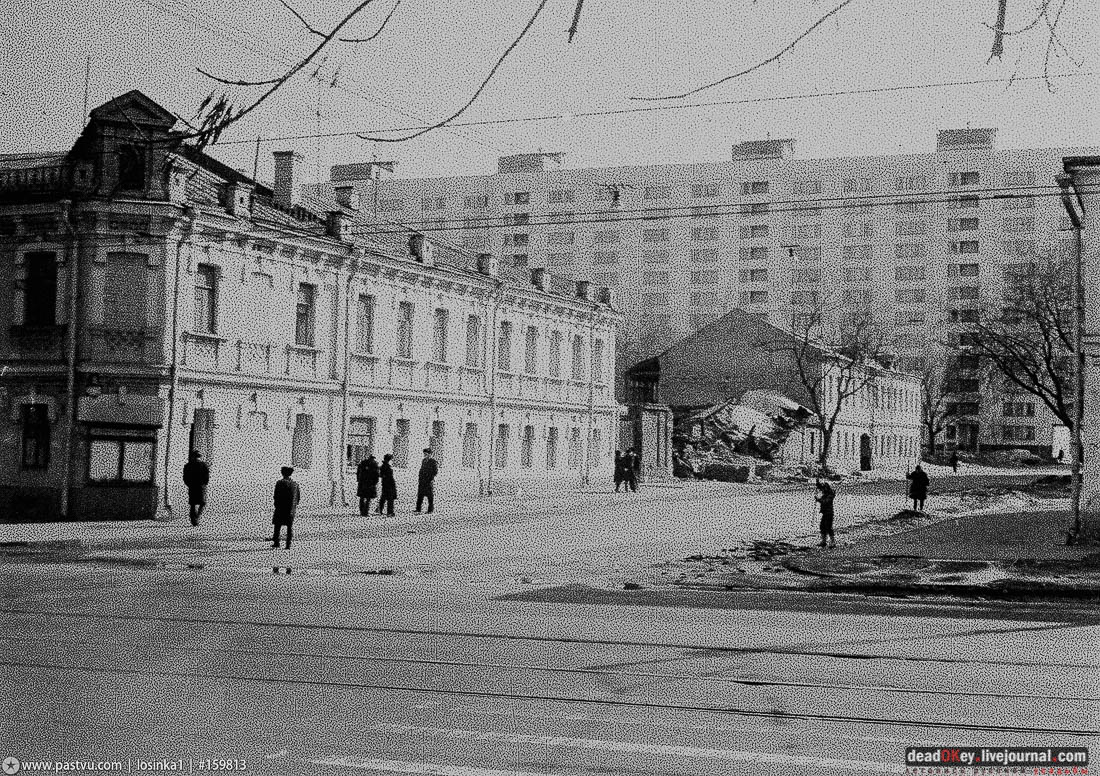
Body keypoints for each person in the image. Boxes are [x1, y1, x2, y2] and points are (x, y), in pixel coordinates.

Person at [272, 466, 300, 549]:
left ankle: (276, 542)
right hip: (291, 509)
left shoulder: (279, 483)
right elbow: (298, 497)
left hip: (281, 507)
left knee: (277, 525)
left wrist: (276, 505)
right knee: (289, 526)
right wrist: (294, 507)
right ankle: (288, 544)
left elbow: (276, 496)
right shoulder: (295, 484)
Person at [182, 450, 210, 527]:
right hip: (200, 486)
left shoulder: (188, 465)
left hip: (192, 486)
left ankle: (193, 519)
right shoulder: (203, 465)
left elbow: (185, 477)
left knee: (193, 503)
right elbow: (206, 476)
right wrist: (204, 484)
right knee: (202, 503)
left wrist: (189, 484)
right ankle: (196, 517)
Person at [415, 448, 438, 513]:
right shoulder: (424, 460)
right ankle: (418, 509)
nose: (425, 455)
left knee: (430, 496)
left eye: (426, 454)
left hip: (428, 481)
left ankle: (430, 509)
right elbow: (421, 469)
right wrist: (420, 477)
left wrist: (430, 478)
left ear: (430, 454)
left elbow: (435, 471)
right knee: (420, 495)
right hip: (422, 481)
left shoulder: (433, 461)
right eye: (424, 454)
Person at [815, 480, 836, 548]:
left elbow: (825, 502)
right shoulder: (827, 492)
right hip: (825, 513)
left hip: (829, 513)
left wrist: (818, 499)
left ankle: (832, 542)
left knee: (828, 527)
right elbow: (820, 487)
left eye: (824, 488)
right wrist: (817, 483)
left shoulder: (830, 495)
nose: (823, 490)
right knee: (822, 526)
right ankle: (824, 541)